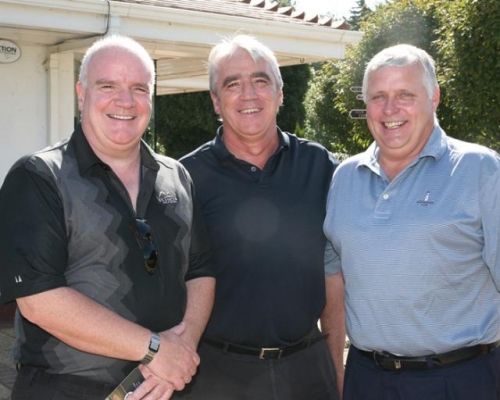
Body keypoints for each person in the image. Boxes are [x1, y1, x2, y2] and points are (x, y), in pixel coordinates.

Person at [0, 35, 216, 400]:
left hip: (165, 388)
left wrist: (182, 350)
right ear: (81, 94)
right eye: (108, 86)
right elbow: (39, 299)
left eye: (139, 88)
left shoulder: (176, 176)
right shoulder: (39, 177)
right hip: (65, 389)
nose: (125, 101)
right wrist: (155, 349)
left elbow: (200, 269)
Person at [323, 43, 500, 399]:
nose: (390, 109)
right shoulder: (345, 178)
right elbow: (334, 281)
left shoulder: (480, 170)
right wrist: (336, 374)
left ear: (434, 98)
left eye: (405, 94)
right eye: (378, 96)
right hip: (367, 380)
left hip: (461, 380)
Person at [175, 34, 345, 400]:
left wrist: (337, 375)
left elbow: (334, 279)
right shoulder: (185, 178)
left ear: (280, 93)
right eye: (232, 84)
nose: (248, 94)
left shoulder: (319, 167)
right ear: (216, 101)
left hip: (308, 372)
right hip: (216, 377)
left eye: (260, 80)